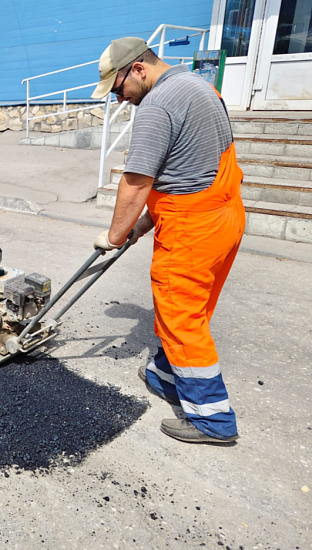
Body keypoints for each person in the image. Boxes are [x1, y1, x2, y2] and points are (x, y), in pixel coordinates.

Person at [91, 37, 245, 444]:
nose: (120, 97)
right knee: (192, 308)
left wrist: (115, 235)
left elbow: (137, 181)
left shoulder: (157, 105)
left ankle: (212, 419)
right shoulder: (200, 87)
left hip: (192, 229)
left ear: (138, 69)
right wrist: (143, 225)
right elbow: (187, 167)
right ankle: (165, 376)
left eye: (118, 87)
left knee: (181, 317)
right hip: (223, 216)